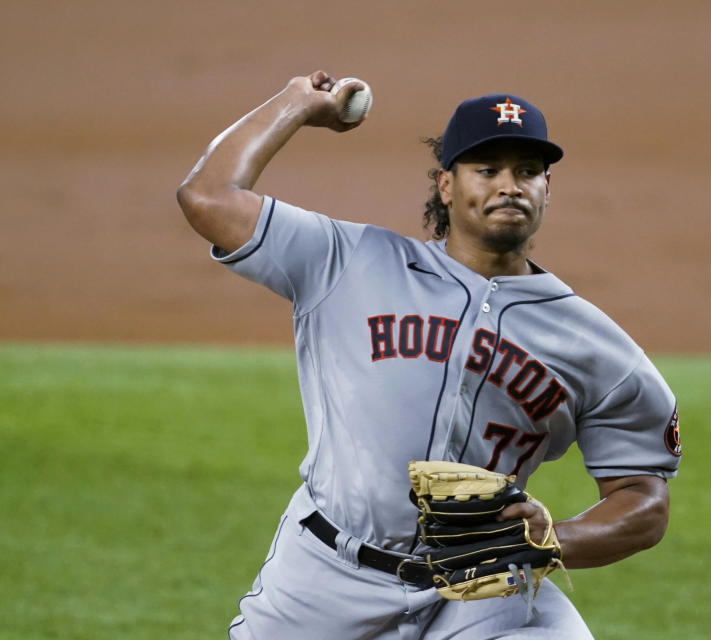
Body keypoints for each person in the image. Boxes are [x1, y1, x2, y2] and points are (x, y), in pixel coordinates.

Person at [177, 69, 682, 640]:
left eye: (528, 172)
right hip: (327, 578)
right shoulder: (348, 262)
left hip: (484, 590)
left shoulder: (593, 345)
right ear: (446, 185)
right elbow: (208, 196)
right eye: (487, 170)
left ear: (548, 188)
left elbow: (643, 499)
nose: (509, 186)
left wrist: (550, 539)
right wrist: (294, 104)